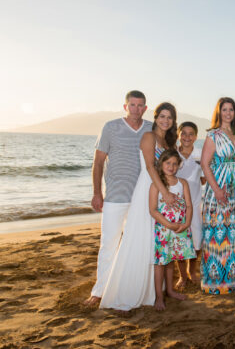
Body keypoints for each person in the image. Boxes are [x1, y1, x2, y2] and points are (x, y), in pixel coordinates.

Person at [99, 102, 179, 310]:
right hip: (148, 188)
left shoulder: (169, 140)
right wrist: (164, 192)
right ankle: (132, 288)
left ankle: (156, 289)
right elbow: (151, 166)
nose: (165, 120)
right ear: (156, 117)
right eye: (162, 116)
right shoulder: (149, 137)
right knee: (141, 236)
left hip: (162, 189)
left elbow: (172, 167)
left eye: (169, 117)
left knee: (157, 238)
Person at [84, 90, 153, 306]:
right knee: (109, 244)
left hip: (141, 197)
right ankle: (100, 291)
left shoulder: (151, 128)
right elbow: (98, 162)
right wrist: (97, 192)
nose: (136, 109)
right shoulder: (111, 127)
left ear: (145, 108)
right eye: (132, 105)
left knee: (138, 244)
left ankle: (133, 287)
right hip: (114, 196)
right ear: (125, 107)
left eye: (140, 105)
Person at [200, 97, 235, 295]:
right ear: (219, 112)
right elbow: (204, 164)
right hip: (217, 193)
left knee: (232, 236)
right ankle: (214, 283)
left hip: (234, 193)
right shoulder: (213, 135)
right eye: (224, 109)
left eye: (231, 110)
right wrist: (216, 189)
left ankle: (230, 281)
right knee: (215, 237)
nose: (228, 113)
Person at [150, 150, 195, 309]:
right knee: (161, 262)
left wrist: (187, 222)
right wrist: (168, 225)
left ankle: (170, 290)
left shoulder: (183, 183)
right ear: (161, 164)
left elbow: (189, 205)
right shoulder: (157, 185)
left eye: (175, 163)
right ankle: (159, 297)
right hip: (164, 229)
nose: (171, 166)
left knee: (172, 260)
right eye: (167, 163)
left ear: (179, 166)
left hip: (181, 227)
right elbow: (153, 210)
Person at [175, 122, 205, 287]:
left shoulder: (201, 154)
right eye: (183, 133)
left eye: (191, 134)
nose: (187, 137)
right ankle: (182, 276)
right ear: (178, 135)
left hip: (195, 203)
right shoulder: (172, 155)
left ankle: (191, 270)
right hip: (176, 205)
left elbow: (204, 177)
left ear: (196, 136)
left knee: (197, 240)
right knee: (179, 240)